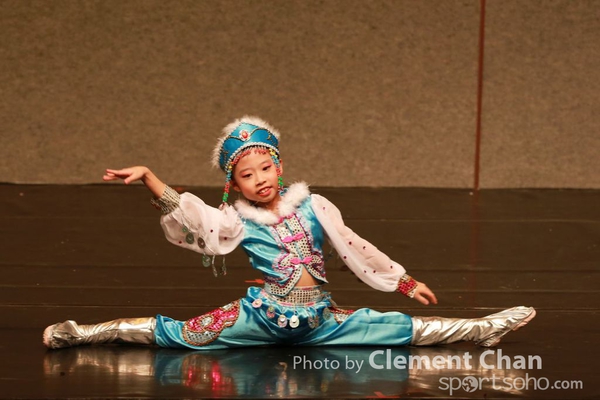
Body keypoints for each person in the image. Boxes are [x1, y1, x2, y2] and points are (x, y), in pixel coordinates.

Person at [43, 116, 535, 350]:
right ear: (234, 185)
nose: (258, 180)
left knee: (396, 328)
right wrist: (150, 178)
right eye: (246, 175)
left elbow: (355, 247)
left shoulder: (315, 207)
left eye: (265, 168)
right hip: (263, 317)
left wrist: (405, 282)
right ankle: (85, 332)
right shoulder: (237, 219)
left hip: (319, 320)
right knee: (180, 335)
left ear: (279, 167)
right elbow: (194, 217)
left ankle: (482, 328)